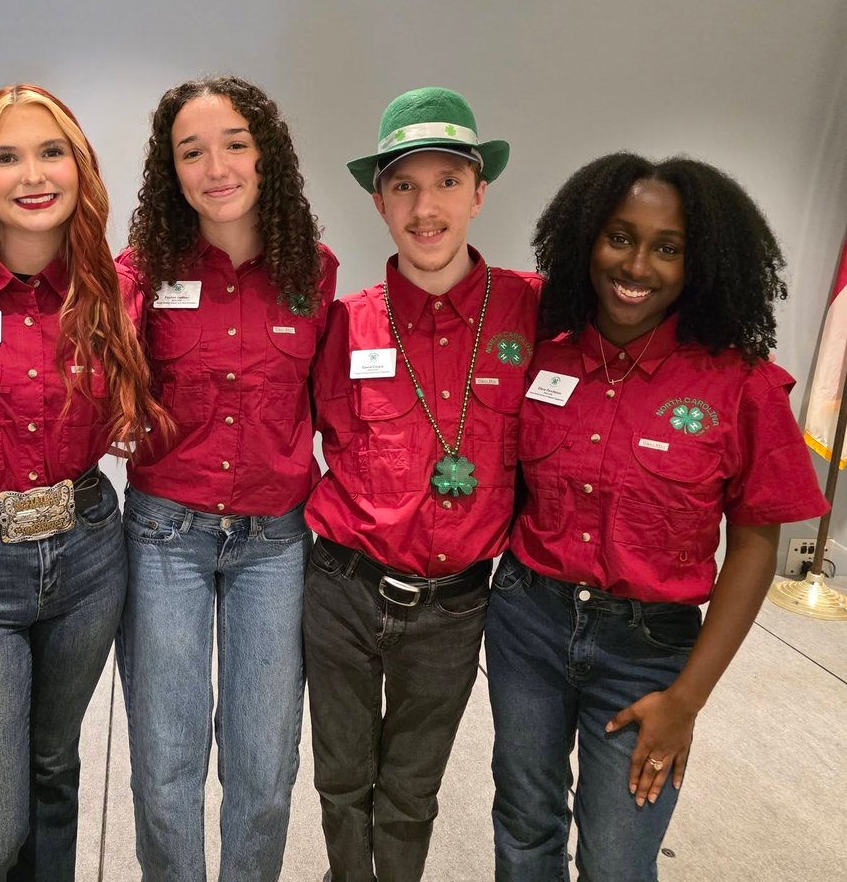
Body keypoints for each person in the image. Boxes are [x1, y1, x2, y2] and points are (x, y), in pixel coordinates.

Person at [486, 153, 829, 881]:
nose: (636, 263)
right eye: (618, 236)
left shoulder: (740, 382)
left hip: (647, 649)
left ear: (698, 262)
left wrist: (687, 698)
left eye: (667, 246)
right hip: (527, 622)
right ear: (585, 240)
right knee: (524, 822)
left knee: (617, 857)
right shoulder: (543, 350)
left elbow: (755, 547)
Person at [0, 84, 162, 881]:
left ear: (80, 167)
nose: (31, 173)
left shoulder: (117, 289)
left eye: (51, 152)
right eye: (4, 156)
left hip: (86, 554)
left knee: (52, 770)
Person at [304, 87, 540, 881]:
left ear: (479, 193)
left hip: (456, 603)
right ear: (378, 202)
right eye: (403, 184)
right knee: (340, 776)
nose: (425, 205)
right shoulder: (343, 324)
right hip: (342, 587)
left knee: (412, 787)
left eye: (446, 181)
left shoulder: (531, 312)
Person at [115, 75, 337, 881]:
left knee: (265, 767)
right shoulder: (141, 272)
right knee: (166, 764)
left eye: (235, 143)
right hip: (165, 533)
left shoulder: (315, 271)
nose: (217, 167)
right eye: (192, 151)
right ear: (170, 171)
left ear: (266, 153)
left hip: (275, 542)